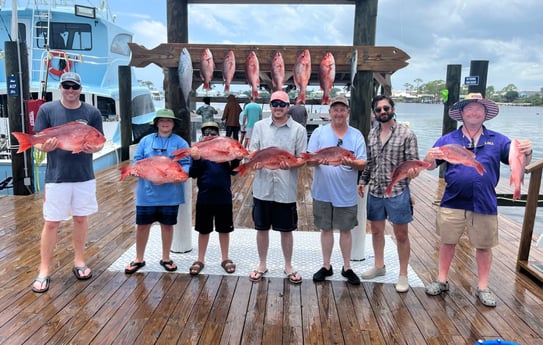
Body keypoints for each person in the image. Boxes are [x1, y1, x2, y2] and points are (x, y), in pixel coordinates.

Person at [423, 93, 532, 307]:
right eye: (469, 109)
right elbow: (430, 165)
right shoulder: (448, 139)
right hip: (452, 200)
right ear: (462, 114)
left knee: (484, 246)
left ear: (485, 114)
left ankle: (483, 287)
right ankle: (441, 280)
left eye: (478, 109)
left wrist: (527, 153)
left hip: (485, 202)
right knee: (447, 242)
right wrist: (429, 156)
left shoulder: (499, 140)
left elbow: (518, 162)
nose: (474, 112)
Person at [31, 72, 105, 293]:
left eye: (75, 87)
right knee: (52, 222)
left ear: (80, 89)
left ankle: (79, 261)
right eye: (67, 86)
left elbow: (100, 141)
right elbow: (38, 141)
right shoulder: (47, 110)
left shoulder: (92, 112)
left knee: (81, 219)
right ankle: (44, 270)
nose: (71, 90)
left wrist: (95, 148)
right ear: (60, 87)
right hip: (57, 176)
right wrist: (43, 146)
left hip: (84, 175)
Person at [358, 94, 421, 293]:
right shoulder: (372, 134)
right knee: (376, 231)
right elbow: (370, 163)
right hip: (376, 190)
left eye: (386, 108)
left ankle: (403, 274)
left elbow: (414, 163)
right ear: (374, 113)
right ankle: (379, 266)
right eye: (378, 110)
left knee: (401, 234)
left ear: (392, 109)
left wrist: (412, 173)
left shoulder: (407, 134)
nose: (382, 112)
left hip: (398, 191)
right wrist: (362, 181)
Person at [248, 90, 307, 284]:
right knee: (261, 228)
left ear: (288, 107)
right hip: (262, 187)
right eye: (275, 104)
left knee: (286, 230)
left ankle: (288, 265)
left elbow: (301, 158)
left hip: (285, 189)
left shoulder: (298, 129)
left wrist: (290, 164)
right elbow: (253, 151)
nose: (278, 108)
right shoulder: (259, 126)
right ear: (270, 106)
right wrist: (254, 161)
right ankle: (262, 264)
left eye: (282, 104)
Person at [308, 96, 367, 285]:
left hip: (346, 193)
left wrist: (350, 161)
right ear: (330, 112)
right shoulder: (319, 133)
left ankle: (347, 266)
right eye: (335, 109)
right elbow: (309, 160)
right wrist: (319, 160)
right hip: (322, 191)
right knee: (325, 229)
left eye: (342, 109)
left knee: (346, 230)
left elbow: (362, 162)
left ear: (347, 112)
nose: (339, 113)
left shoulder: (356, 135)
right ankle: (326, 265)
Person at [124, 109, 191, 275]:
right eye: (162, 121)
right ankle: (139, 258)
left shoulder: (181, 143)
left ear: (173, 124)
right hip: (146, 194)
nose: (165, 123)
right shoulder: (146, 141)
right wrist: (134, 170)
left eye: (168, 121)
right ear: (156, 123)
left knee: (167, 226)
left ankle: (166, 257)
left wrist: (183, 174)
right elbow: (137, 161)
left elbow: (187, 163)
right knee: (142, 226)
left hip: (171, 195)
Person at [188, 121, 242, 275]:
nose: (210, 135)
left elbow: (234, 171)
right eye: (206, 133)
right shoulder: (198, 151)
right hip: (204, 197)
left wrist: (237, 159)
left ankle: (225, 258)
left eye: (213, 132)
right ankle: (200, 259)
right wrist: (197, 160)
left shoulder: (225, 149)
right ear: (202, 135)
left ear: (219, 135)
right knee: (203, 230)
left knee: (224, 229)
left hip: (223, 197)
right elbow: (193, 173)